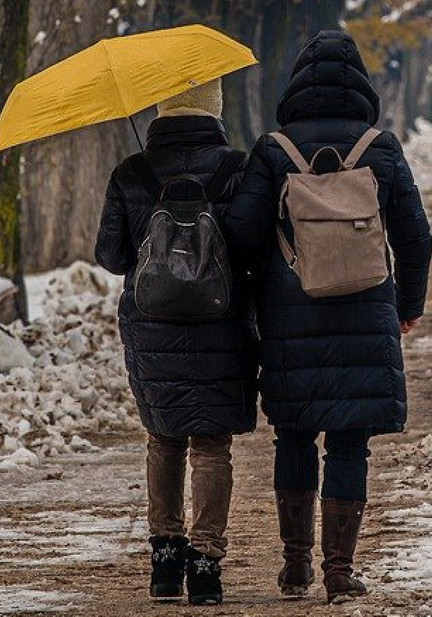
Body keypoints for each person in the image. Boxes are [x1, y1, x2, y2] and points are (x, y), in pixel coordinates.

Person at [223, 31, 432, 604]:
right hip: (365, 312)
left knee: (293, 438)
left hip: (289, 318)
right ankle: (339, 570)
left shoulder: (274, 150)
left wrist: (257, 286)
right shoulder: (380, 147)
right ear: (361, 85)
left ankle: (294, 567)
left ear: (296, 86)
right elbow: (416, 236)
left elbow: (240, 237)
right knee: (349, 444)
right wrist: (406, 306)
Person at [94, 78, 257, 606]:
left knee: (164, 436)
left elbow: (112, 257)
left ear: (162, 108)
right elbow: (253, 247)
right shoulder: (236, 169)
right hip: (222, 322)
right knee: (212, 442)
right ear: (214, 108)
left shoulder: (131, 172)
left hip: (151, 325)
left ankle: (165, 562)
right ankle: (205, 565)